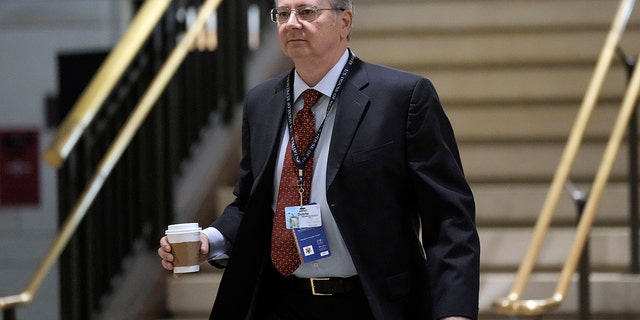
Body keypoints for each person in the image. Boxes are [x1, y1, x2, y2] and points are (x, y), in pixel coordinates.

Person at [158, 0, 480, 319]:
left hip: (370, 302)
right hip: (280, 300)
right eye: (283, 13)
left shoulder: (403, 98)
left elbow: (450, 218)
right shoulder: (261, 102)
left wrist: (454, 313)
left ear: (345, 22)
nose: (292, 23)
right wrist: (209, 241)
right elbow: (249, 203)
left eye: (307, 12)